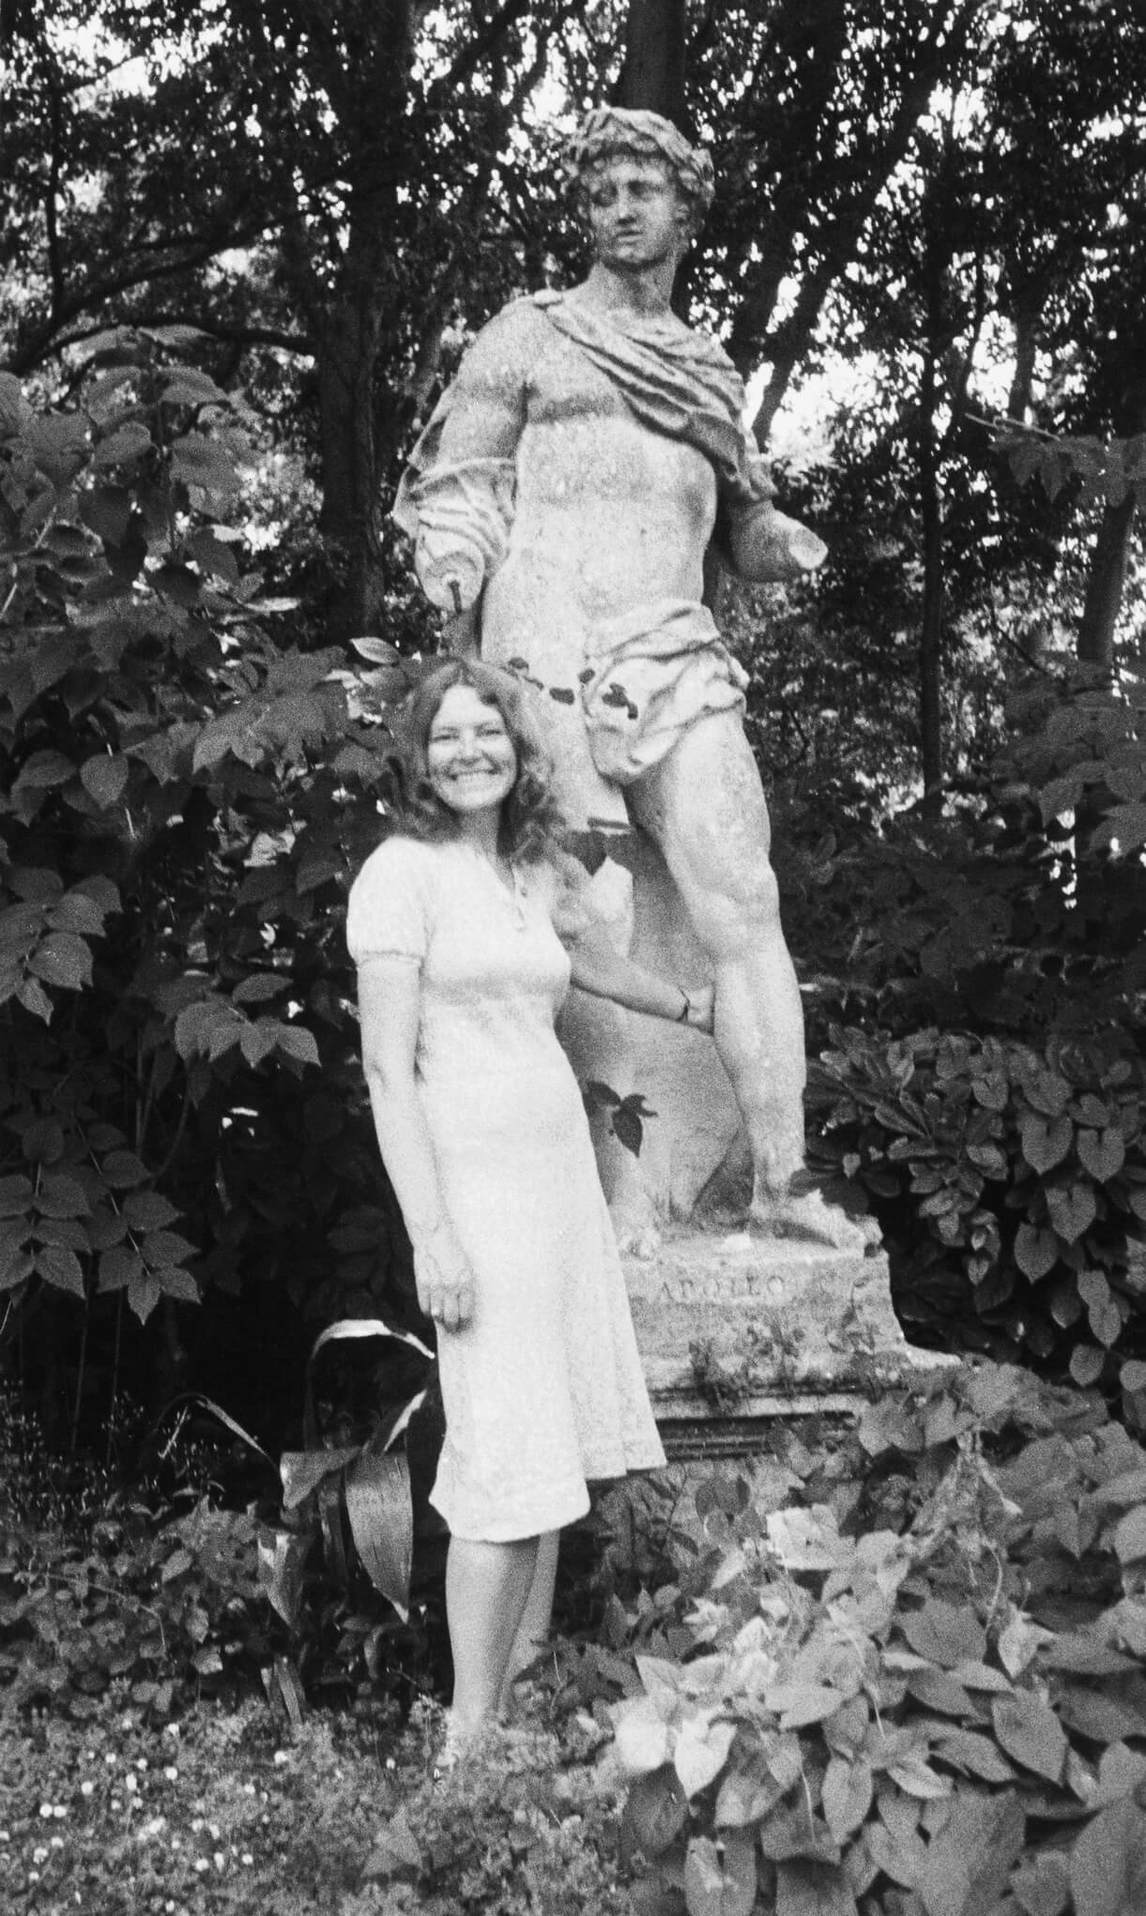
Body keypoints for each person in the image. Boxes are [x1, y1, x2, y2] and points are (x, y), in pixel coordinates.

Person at [395, 105, 860, 1249]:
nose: (618, 207)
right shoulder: (530, 333)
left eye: (641, 189)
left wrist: (782, 540)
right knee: (591, 907)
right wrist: (453, 572)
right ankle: (627, 1188)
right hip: (546, 633)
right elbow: (460, 481)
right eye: (602, 190)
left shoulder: (706, 368)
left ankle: (780, 1181)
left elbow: (736, 520)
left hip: (673, 639)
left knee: (742, 899)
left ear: (683, 210)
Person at [347, 656, 715, 1751]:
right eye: (448, 736)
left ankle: (528, 1696)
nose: (471, 751)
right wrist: (433, 1235)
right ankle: (468, 1748)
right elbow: (384, 1072)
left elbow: (595, 969)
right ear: (420, 755)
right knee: (503, 1450)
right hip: (474, 1190)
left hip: (556, 1177)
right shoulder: (397, 876)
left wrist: (704, 1001)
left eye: (489, 733)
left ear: (517, 750)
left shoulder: (528, 866)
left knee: (547, 1436)